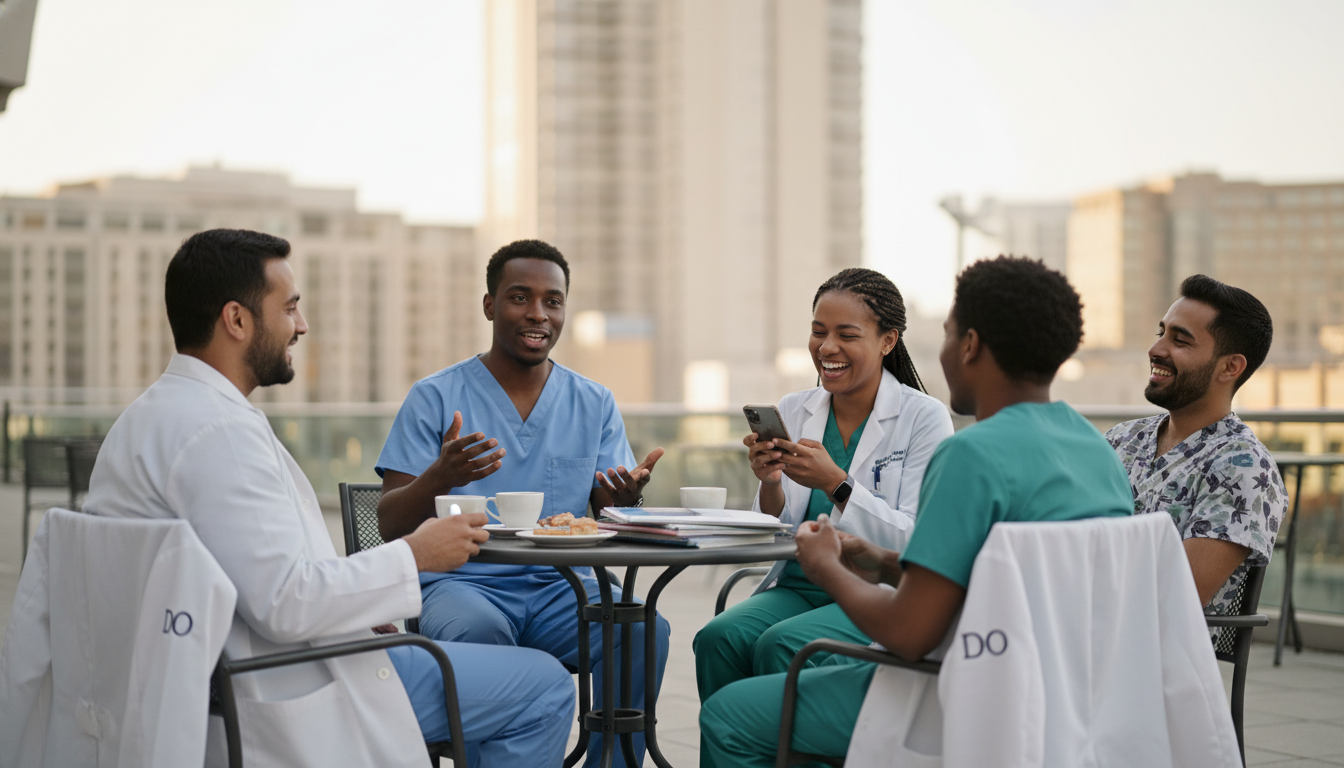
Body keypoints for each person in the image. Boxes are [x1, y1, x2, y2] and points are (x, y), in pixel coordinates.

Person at [82, 229, 574, 766]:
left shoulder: (149, 420)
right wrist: (416, 555)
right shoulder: (217, 433)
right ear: (238, 320)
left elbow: (259, 574)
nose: (301, 325)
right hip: (286, 682)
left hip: (216, 674)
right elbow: (286, 604)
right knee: (544, 686)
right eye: (289, 308)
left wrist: (362, 612)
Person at [698, 256, 1134, 768]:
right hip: (1061, 688)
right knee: (726, 639)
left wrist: (826, 568)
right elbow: (987, 575)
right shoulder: (1099, 450)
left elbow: (910, 630)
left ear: (969, 345)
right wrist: (880, 561)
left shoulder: (969, 453)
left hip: (962, 682)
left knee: (731, 713)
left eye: (947, 336)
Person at [375, 238, 671, 768]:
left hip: (562, 588)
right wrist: (440, 475)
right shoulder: (436, 397)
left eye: (552, 301)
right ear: (490, 305)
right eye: (519, 297)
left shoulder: (594, 401)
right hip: (460, 587)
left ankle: (612, 762)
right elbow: (390, 523)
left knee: (641, 628)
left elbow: (604, 508)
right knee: (480, 632)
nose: (538, 314)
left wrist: (622, 497)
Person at [693, 268, 954, 703]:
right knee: (718, 638)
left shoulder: (923, 418)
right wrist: (771, 482)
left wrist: (837, 483)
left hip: (877, 592)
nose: (827, 347)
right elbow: (771, 525)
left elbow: (914, 538)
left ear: (887, 341)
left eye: (847, 335)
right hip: (799, 585)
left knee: (781, 646)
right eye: (818, 332)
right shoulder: (796, 408)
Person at [1106, 274, 1286, 617]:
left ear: (1230, 367)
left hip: (1152, 658)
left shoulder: (1242, 467)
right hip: (1076, 630)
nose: (1156, 349)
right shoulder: (1122, 439)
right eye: (1161, 333)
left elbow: (1172, 597)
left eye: (1180, 341)